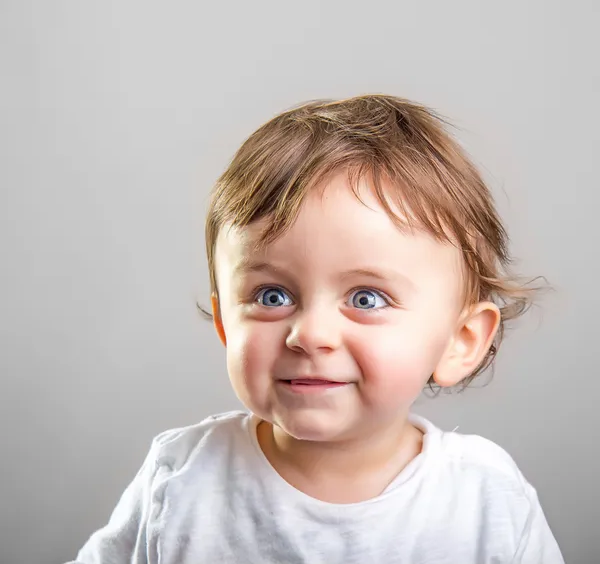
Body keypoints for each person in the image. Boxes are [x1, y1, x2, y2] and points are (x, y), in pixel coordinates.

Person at [69, 95, 564, 563]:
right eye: (272, 297)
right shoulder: (180, 477)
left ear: (461, 341)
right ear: (225, 323)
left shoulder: (484, 499)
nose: (309, 334)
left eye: (366, 299)